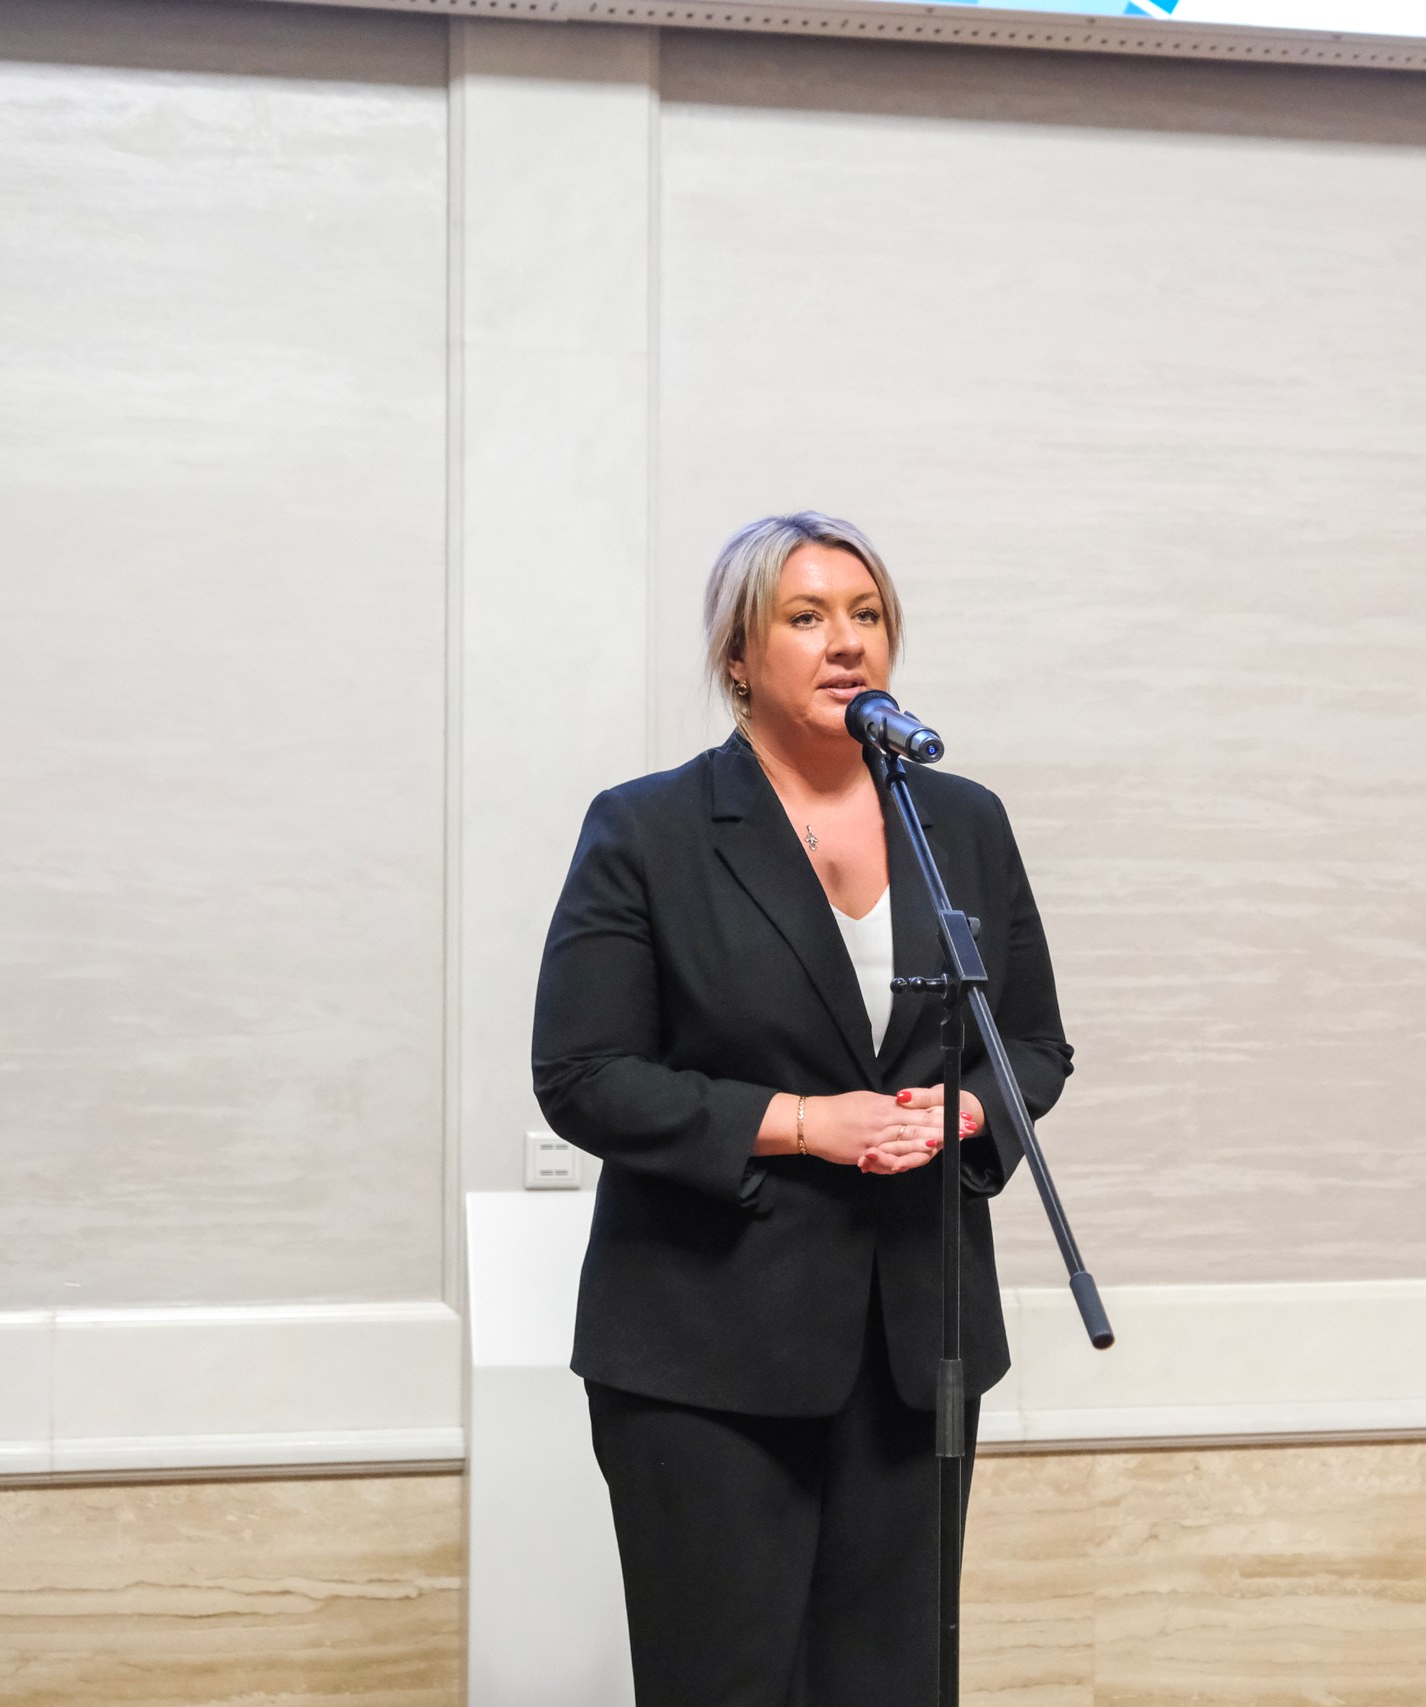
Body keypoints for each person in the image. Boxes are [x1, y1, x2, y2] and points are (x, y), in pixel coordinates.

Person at [530, 512, 1072, 1706]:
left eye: (866, 615)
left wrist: (964, 1112)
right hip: (704, 1348)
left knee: (892, 1683)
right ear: (738, 654)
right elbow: (583, 1074)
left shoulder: (960, 822)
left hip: (915, 1338)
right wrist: (800, 1120)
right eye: (807, 617)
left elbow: (1032, 1045)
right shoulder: (649, 828)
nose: (847, 642)